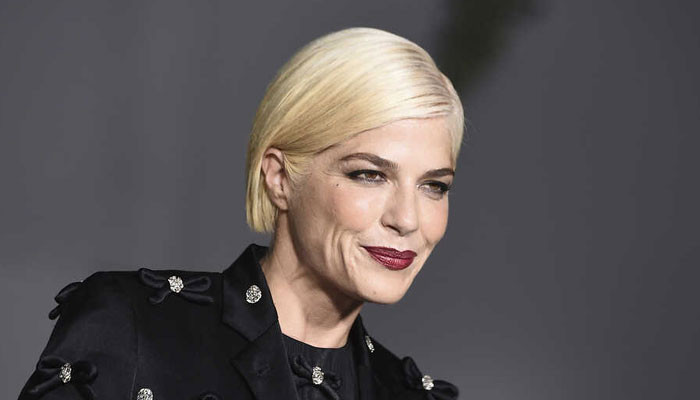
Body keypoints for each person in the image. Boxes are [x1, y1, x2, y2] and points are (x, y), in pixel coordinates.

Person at [18, 27, 465, 400]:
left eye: (434, 186)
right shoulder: (131, 326)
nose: (407, 219)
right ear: (279, 178)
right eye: (369, 175)